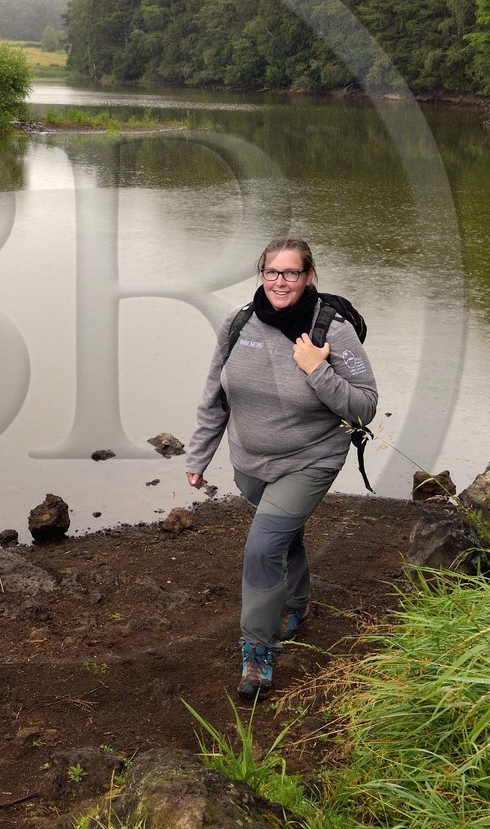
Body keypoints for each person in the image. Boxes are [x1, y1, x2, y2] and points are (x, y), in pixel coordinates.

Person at [183, 237, 378, 700]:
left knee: (261, 548)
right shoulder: (239, 323)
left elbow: (365, 407)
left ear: (309, 276)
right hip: (249, 462)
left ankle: (257, 653)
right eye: (272, 272)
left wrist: (317, 370)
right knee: (279, 537)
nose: (280, 282)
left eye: (291, 273)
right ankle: (297, 601)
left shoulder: (332, 329)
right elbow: (216, 393)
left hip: (311, 458)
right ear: (261, 274)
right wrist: (199, 454)